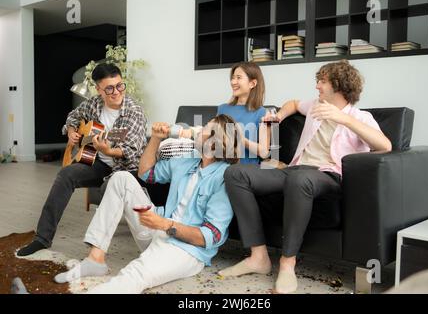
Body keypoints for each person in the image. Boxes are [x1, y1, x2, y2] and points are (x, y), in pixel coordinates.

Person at [218, 60, 392, 293]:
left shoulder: (360, 117)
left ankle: (288, 264)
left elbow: (385, 146)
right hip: (294, 169)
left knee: (300, 180)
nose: (317, 86)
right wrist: (278, 116)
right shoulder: (315, 106)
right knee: (236, 173)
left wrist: (343, 119)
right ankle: (258, 256)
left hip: (328, 175)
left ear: (339, 86)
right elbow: (292, 104)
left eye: (322, 82)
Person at [52, 114, 241, 294]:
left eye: (205, 129)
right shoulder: (187, 161)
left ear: (218, 141)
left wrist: (166, 225)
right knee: (121, 178)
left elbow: (211, 237)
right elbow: (145, 174)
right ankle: (96, 259)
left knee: (136, 273)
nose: (198, 131)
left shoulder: (224, 178)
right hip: (158, 229)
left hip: (187, 250)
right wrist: (156, 139)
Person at [17, 63, 148, 257]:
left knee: (108, 189)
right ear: (99, 90)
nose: (116, 92)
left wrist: (108, 149)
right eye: (109, 88)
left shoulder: (134, 112)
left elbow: (129, 151)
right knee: (66, 174)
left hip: (125, 169)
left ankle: (96, 253)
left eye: (120, 85)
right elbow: (73, 117)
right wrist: (71, 132)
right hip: (98, 162)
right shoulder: (93, 104)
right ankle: (42, 238)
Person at [177, 62, 270, 164]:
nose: (233, 82)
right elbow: (212, 138)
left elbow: (264, 152)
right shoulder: (223, 109)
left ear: (252, 83)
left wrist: (239, 139)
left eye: (238, 78)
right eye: (233, 78)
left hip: (244, 170)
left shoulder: (262, 113)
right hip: (220, 167)